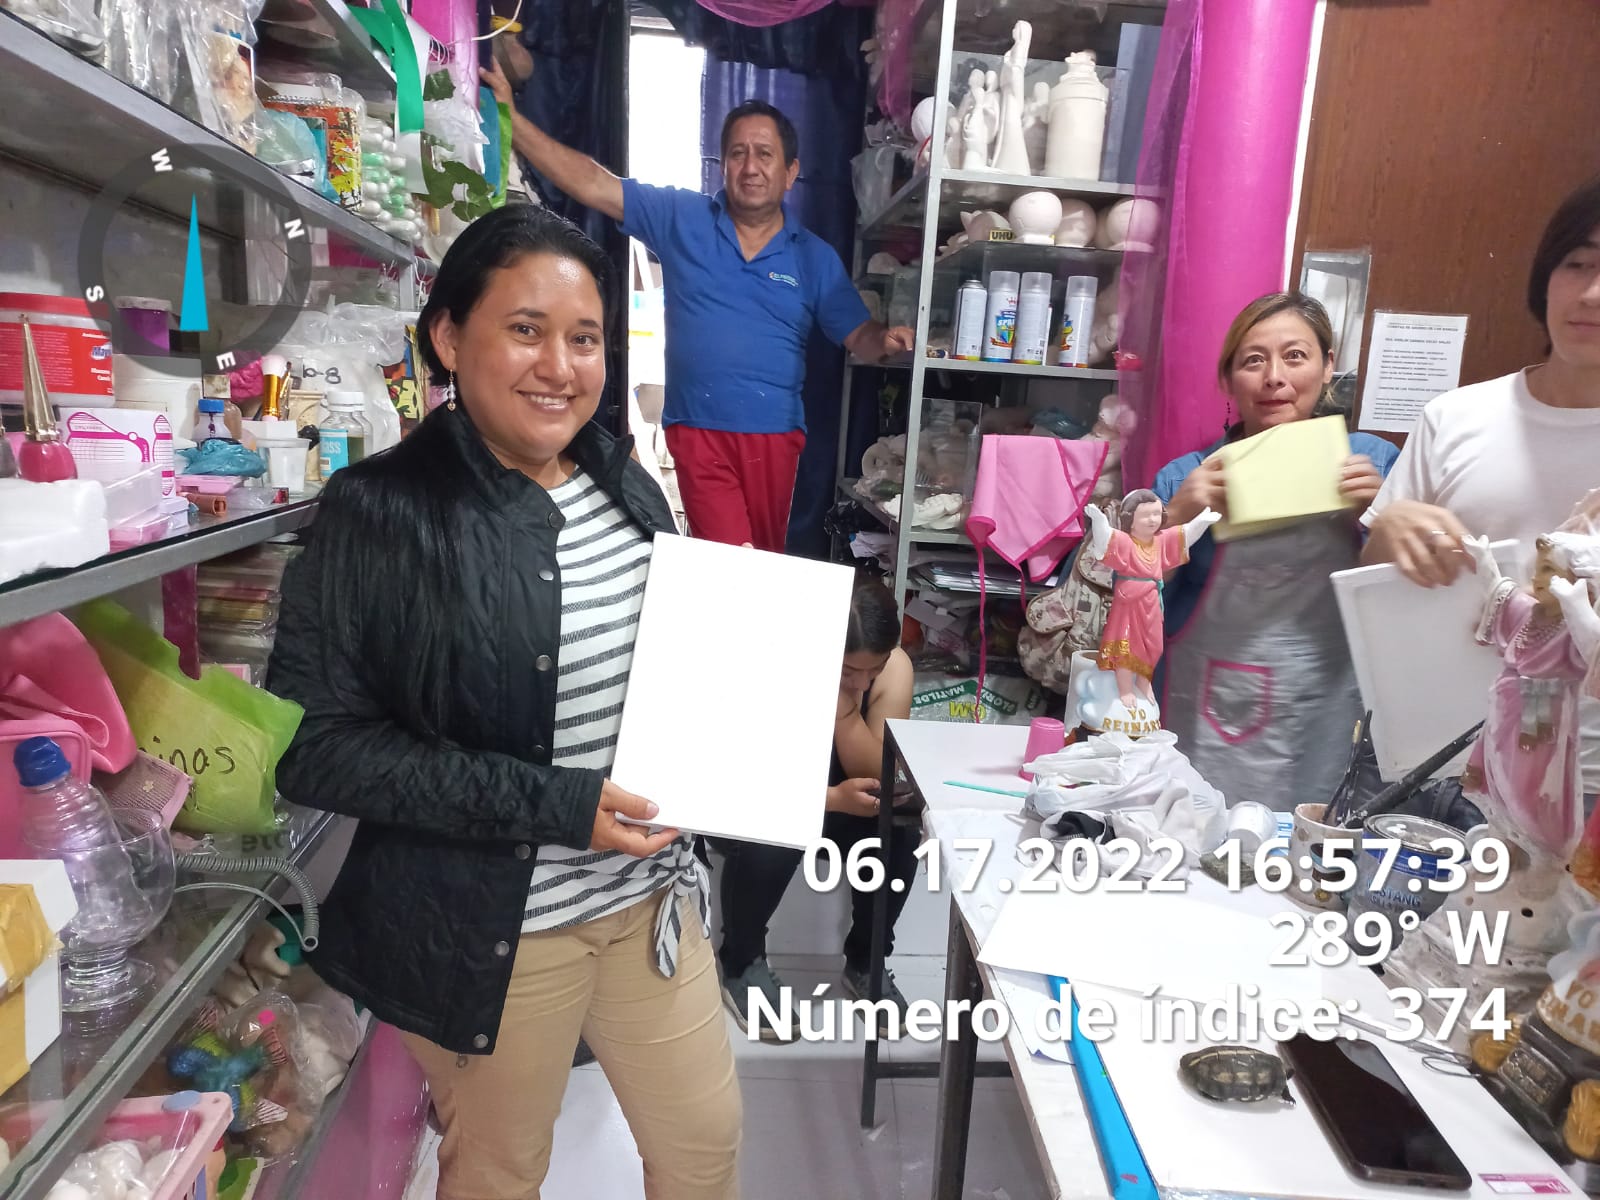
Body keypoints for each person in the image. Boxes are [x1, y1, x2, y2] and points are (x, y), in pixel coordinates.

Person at [268, 206, 740, 1199]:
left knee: (704, 1149)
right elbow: (317, 749)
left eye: (585, 339)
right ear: (448, 336)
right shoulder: (380, 511)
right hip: (496, 935)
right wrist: (555, 804)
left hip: (651, 903)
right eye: (526, 330)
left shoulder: (622, 481)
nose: (559, 368)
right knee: (499, 1171)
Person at [482, 60, 914, 554]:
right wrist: (511, 119)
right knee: (727, 559)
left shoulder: (813, 257)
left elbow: (858, 335)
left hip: (775, 438)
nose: (750, 167)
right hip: (698, 430)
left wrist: (885, 340)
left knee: (762, 562)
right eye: (737, 153)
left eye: (765, 154)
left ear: (790, 172)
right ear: (722, 164)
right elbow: (594, 183)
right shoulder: (682, 218)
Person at [1362, 176, 1600, 800]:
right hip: (1433, 764)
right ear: (1546, 277)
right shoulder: (1455, 417)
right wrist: (1388, 531)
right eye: (1578, 264)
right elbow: (1373, 586)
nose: (1592, 293)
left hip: (1586, 783)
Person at [1152, 292, 1400, 810]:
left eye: (1295, 356)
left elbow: (1409, 603)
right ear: (1228, 379)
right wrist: (1177, 520)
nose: (1274, 378)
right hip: (1207, 713)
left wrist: (1379, 518)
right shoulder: (1185, 477)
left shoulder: (1374, 464)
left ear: (1327, 366)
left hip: (1332, 706)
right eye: (1252, 361)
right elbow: (1132, 608)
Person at [711, 577, 916, 1040]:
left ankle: (866, 960)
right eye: (849, 670)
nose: (863, 681)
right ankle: (741, 962)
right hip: (763, 796)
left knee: (900, 830)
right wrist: (833, 798)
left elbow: (876, 772)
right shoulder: (777, 660)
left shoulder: (895, 669)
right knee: (776, 829)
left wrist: (843, 710)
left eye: (875, 668)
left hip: (839, 802)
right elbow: (748, 780)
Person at [1084, 489, 1220, 709]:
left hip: (1152, 603)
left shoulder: (1161, 541)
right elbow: (1105, 540)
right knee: (1126, 646)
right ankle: (1125, 689)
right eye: (1145, 515)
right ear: (1130, 519)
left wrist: (1201, 521)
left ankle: (1144, 681)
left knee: (1153, 646)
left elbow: (1184, 535)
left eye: (1156, 514)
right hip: (1128, 604)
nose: (1152, 520)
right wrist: (1099, 521)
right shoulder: (1125, 542)